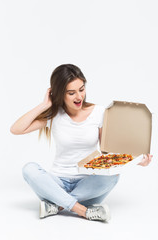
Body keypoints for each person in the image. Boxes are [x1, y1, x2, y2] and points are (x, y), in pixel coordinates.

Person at [10, 64, 153, 222]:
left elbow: (107, 153)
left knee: (113, 175)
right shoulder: (54, 115)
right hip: (57, 183)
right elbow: (16, 129)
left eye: (81, 89)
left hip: (88, 186)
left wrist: (135, 161)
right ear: (59, 93)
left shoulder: (99, 112)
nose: (79, 97)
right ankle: (82, 211)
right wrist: (45, 105)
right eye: (71, 93)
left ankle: (57, 206)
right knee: (29, 169)